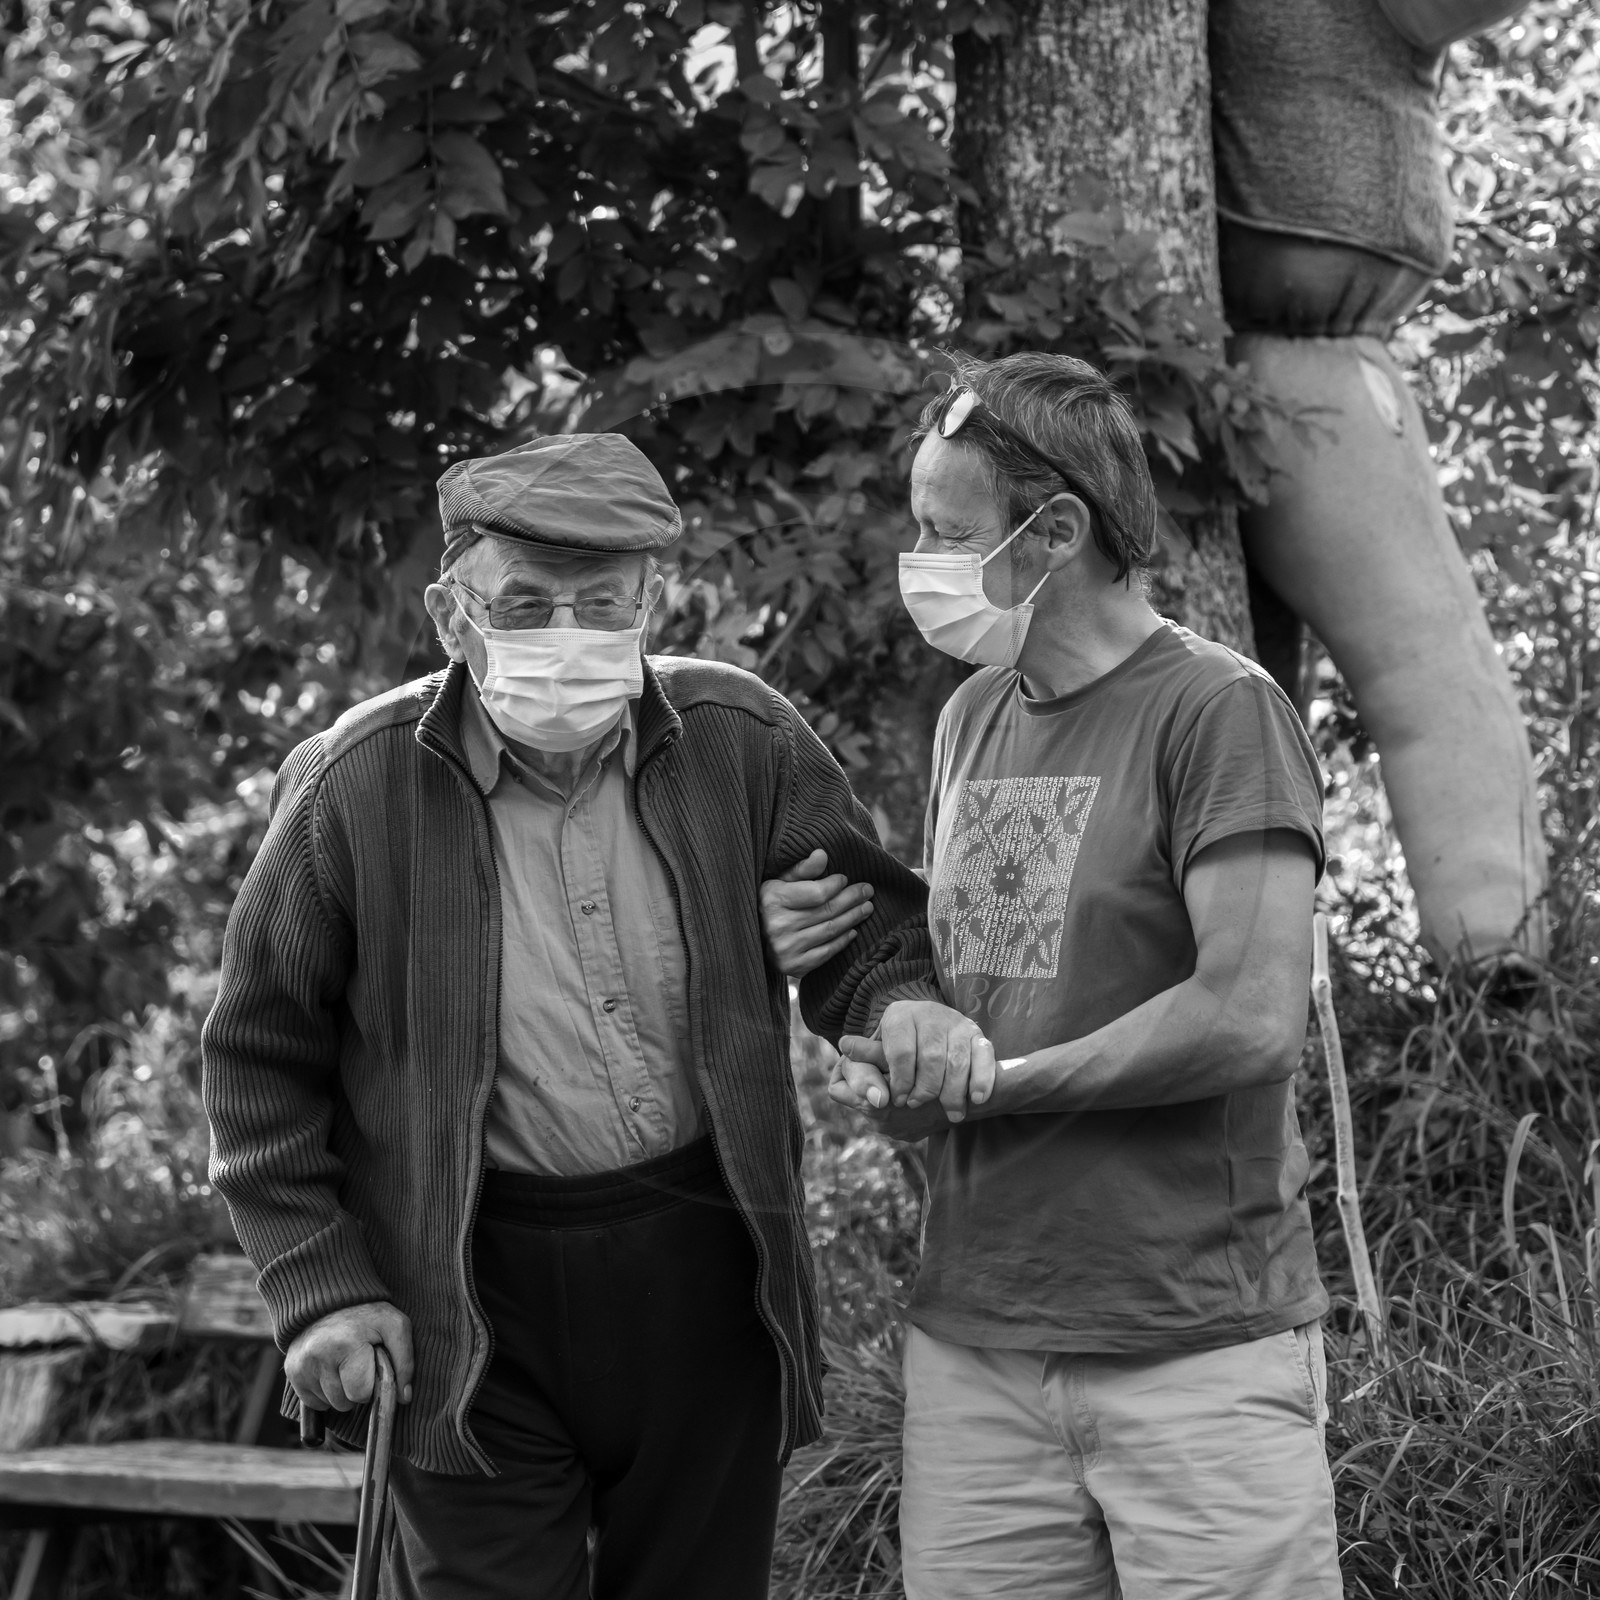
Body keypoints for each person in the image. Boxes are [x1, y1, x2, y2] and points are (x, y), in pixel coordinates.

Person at [201, 432, 937, 1600]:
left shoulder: (739, 739)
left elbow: (870, 935)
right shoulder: (357, 782)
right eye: (527, 603)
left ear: (654, 601)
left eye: (601, 603)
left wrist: (891, 1007)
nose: (567, 636)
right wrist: (321, 1286)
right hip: (467, 1288)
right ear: (454, 613)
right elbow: (257, 1055)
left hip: (707, 1266)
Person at [763, 352, 1343, 1598]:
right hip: (973, 1340)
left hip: (1191, 1342)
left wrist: (1004, 1084)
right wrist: (889, 1021)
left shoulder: (1217, 712)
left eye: (943, 527)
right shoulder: (974, 713)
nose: (916, 555)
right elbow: (978, 996)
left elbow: (1245, 1020)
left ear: (1058, 528)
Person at [1210, 0, 1545, 976]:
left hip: (1314, 355)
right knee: (1423, 658)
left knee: (1408, 658)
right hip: (1281, 358)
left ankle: (1493, 948)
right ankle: (1492, 949)